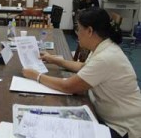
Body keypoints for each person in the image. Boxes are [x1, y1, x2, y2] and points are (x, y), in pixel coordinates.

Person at [22, 8, 141, 138]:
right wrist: (54, 60)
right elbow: (83, 67)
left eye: (79, 29)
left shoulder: (106, 57)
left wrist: (36, 76)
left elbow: (67, 86)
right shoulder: (103, 46)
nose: (77, 33)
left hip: (124, 127)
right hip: (111, 117)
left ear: (89, 31)